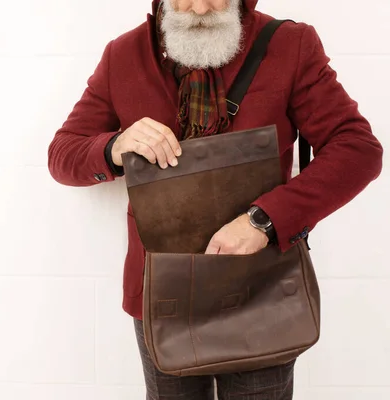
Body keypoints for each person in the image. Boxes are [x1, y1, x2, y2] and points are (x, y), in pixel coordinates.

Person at [47, 0, 384, 398]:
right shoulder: (122, 55)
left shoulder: (290, 44)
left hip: (262, 289)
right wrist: (113, 147)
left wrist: (264, 221)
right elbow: (61, 154)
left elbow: (358, 149)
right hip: (162, 296)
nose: (202, 8)